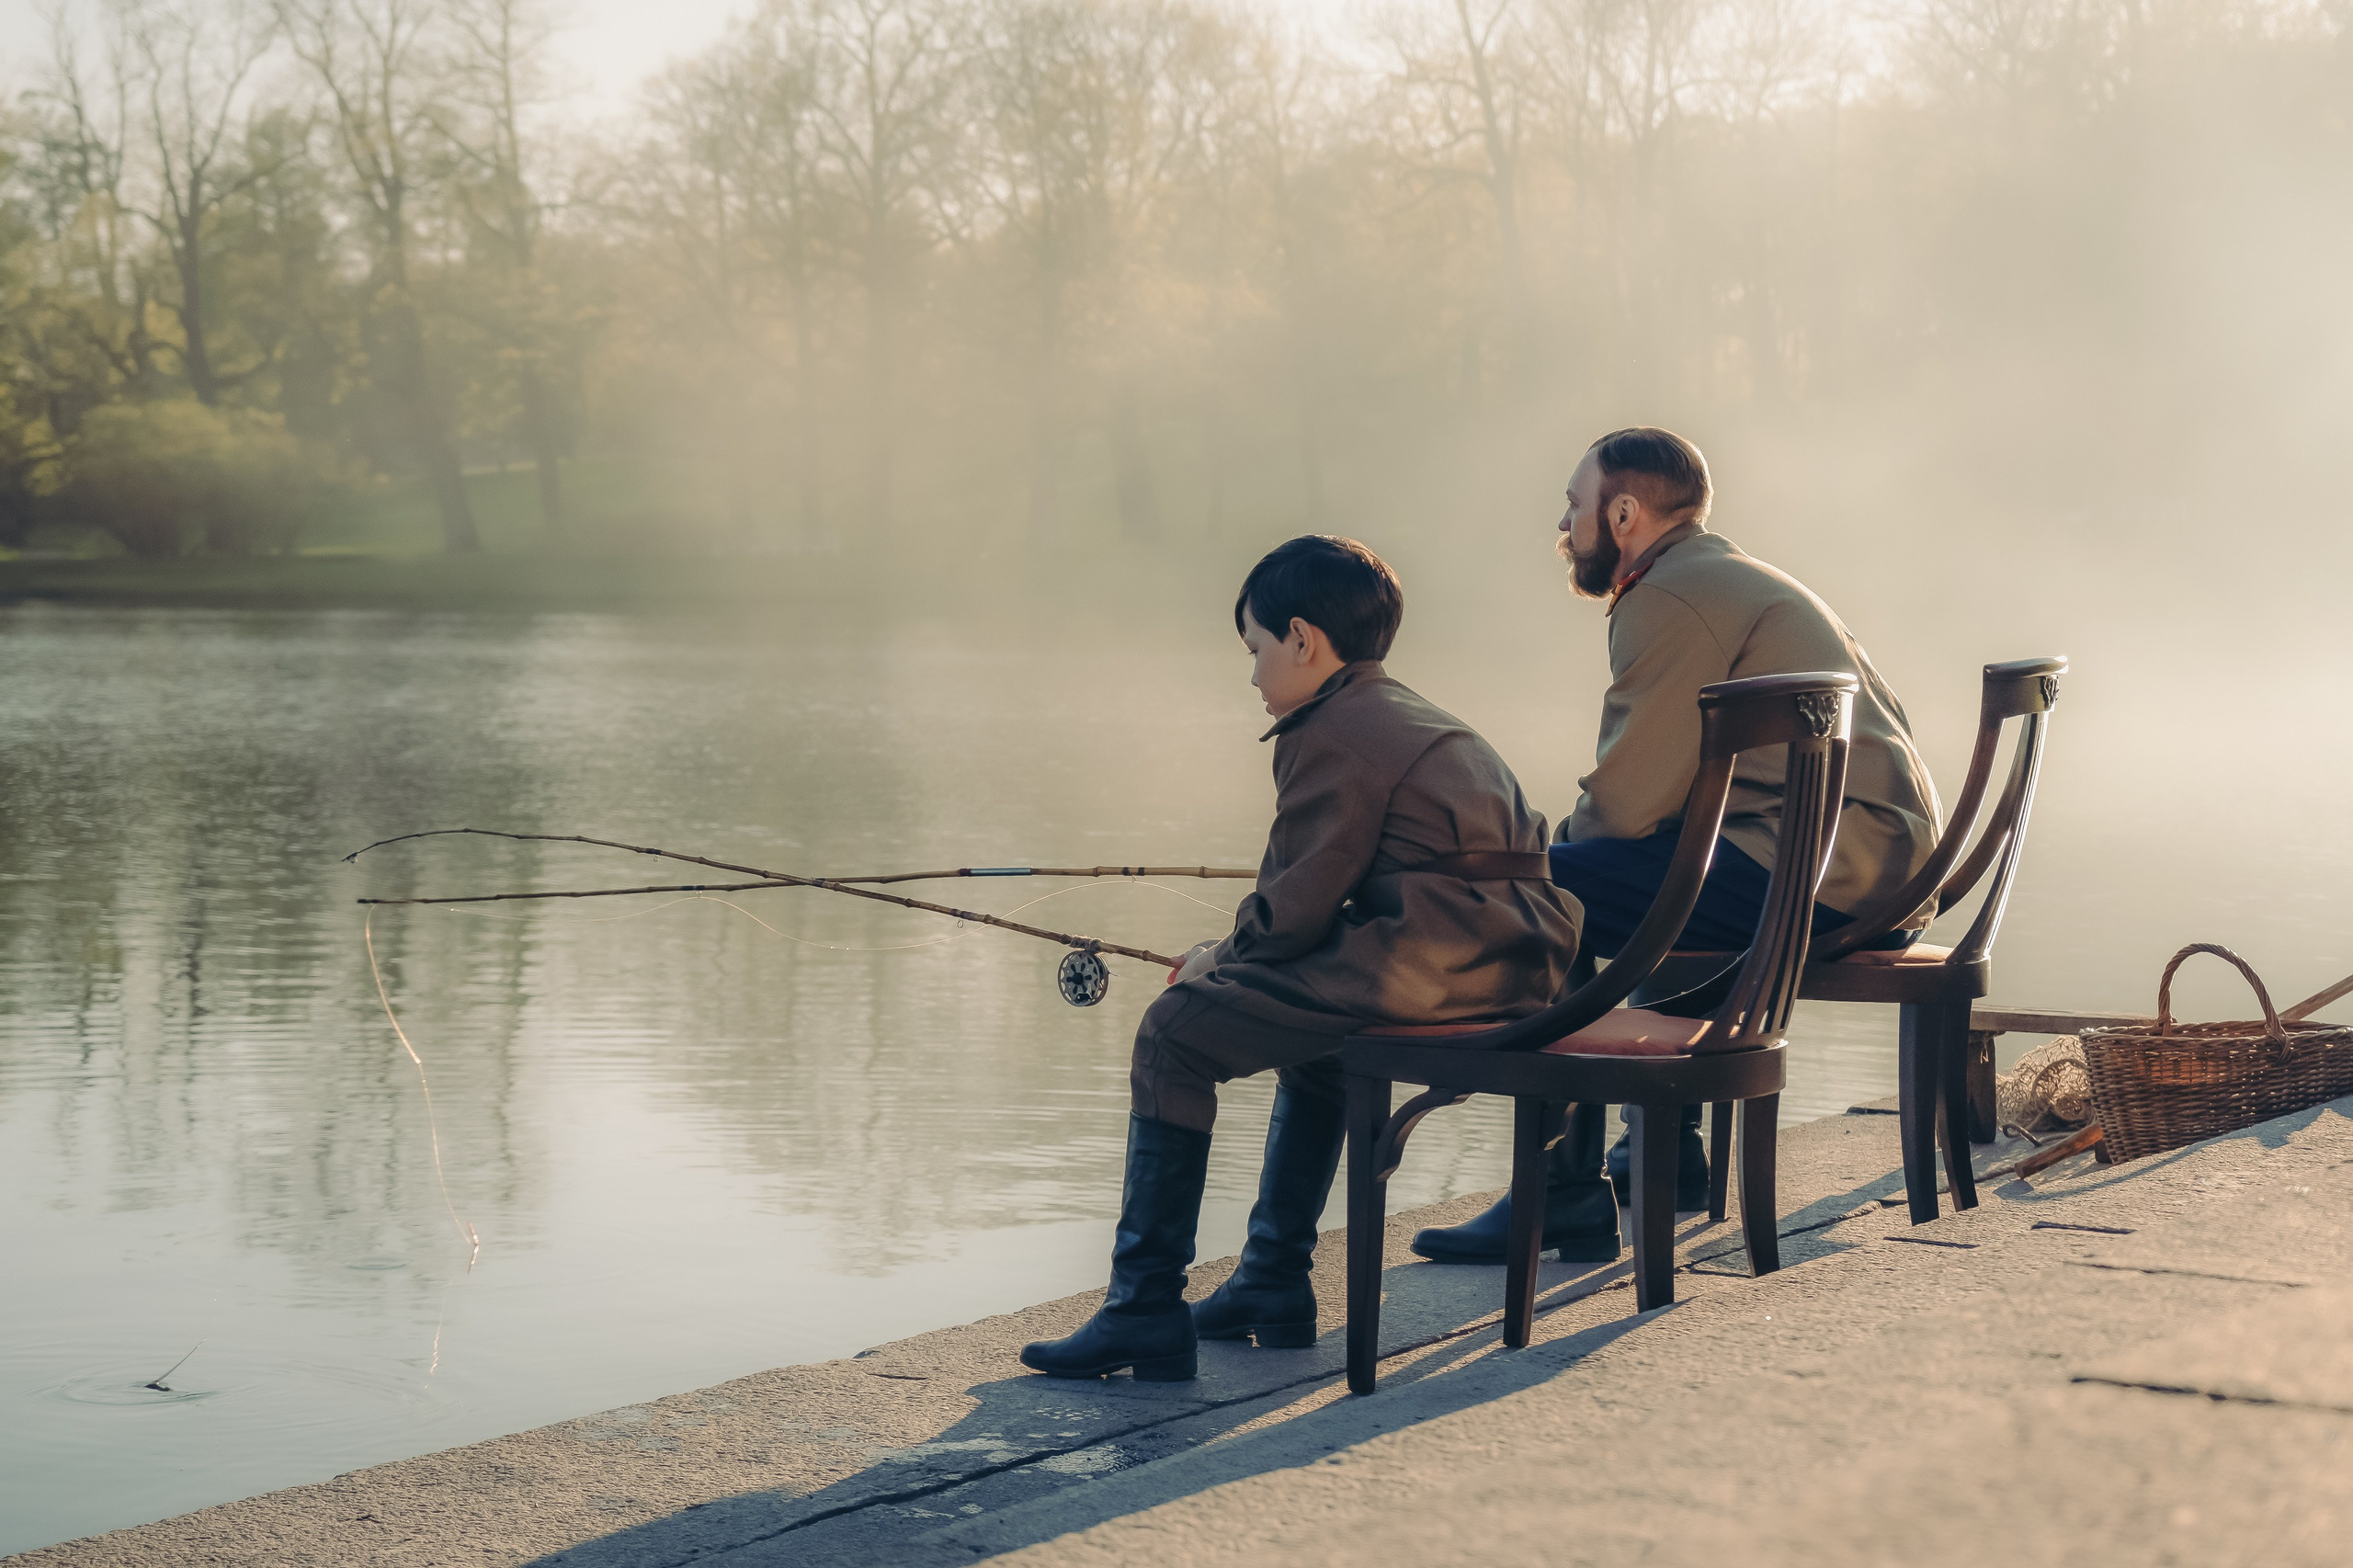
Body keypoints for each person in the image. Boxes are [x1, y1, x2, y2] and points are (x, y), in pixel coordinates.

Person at [1020, 536, 1583, 1381]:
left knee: (1173, 1034)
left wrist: (1218, 959)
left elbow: (1292, 912)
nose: (1253, 675)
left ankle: (1143, 1310)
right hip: (1522, 956)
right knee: (1314, 1046)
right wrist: (1242, 951)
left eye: (1254, 649)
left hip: (1444, 960)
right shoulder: (1403, 710)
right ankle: (1272, 1281)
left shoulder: (1333, 729)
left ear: (1302, 639)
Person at [1411, 426, 1942, 1264]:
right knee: (1633, 876)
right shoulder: (1730, 576)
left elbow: (1625, 805)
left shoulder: (1667, 596)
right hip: (1873, 870)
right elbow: (1661, 800)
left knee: (1541, 897)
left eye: (1574, 505)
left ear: (1624, 514)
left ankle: (1563, 1189)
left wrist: (1525, 865)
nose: (1564, 526)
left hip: (1822, 876)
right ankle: (1666, 1153)